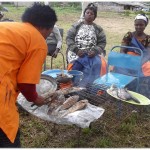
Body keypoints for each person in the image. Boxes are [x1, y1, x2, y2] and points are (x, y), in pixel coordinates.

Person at [0, 3, 57, 147]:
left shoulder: (6, 27)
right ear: (48, 28)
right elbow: (25, 83)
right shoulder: (37, 41)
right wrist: (36, 99)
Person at [66, 3, 107, 86]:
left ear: (94, 17)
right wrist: (76, 50)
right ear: (84, 14)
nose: (89, 15)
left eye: (92, 14)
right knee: (76, 66)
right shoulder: (76, 26)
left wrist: (95, 51)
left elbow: (102, 42)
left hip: (91, 54)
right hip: (76, 53)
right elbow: (69, 38)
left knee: (99, 64)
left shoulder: (98, 29)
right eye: (87, 13)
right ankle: (74, 84)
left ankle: (92, 85)